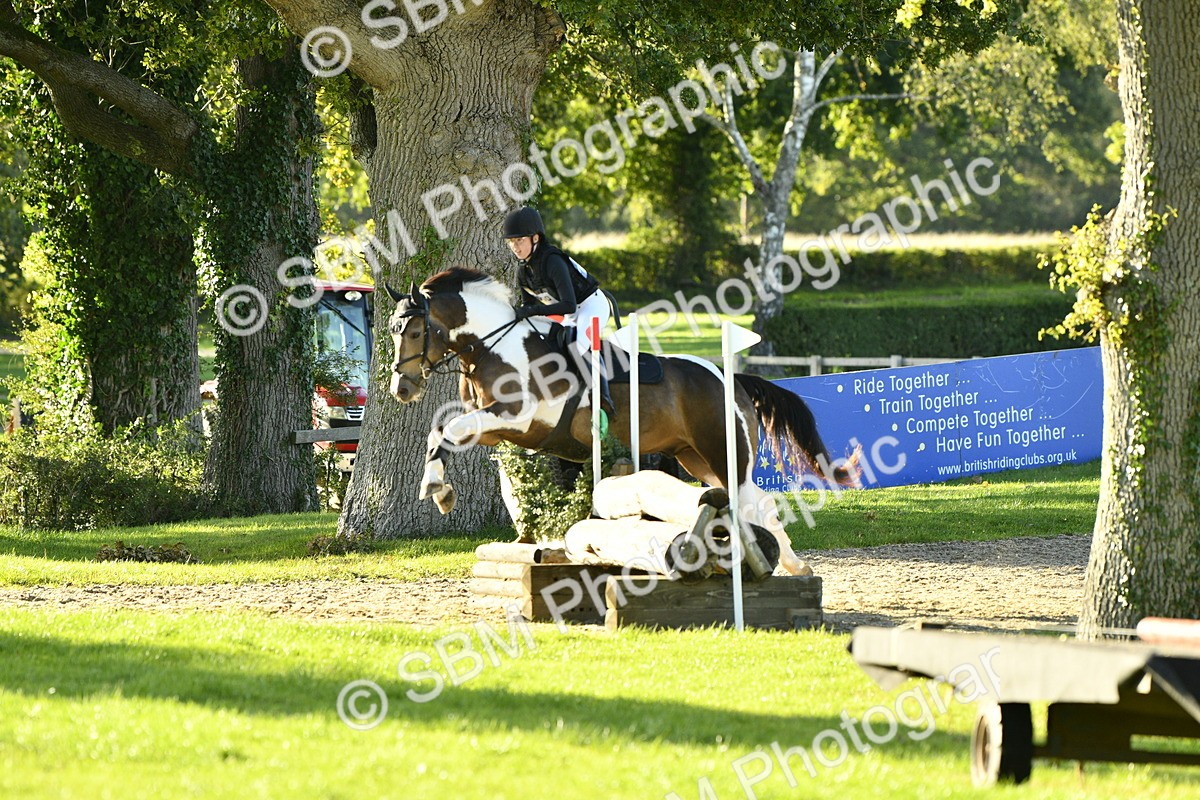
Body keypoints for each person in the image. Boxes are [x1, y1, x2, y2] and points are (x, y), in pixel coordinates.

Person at [503, 206, 616, 420]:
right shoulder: (523, 272)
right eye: (512, 242)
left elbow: (569, 305)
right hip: (568, 312)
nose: (515, 247)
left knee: (578, 346)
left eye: (520, 241)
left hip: (591, 306)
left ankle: (604, 399)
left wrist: (534, 310)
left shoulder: (552, 261)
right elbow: (529, 311)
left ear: (535, 238)